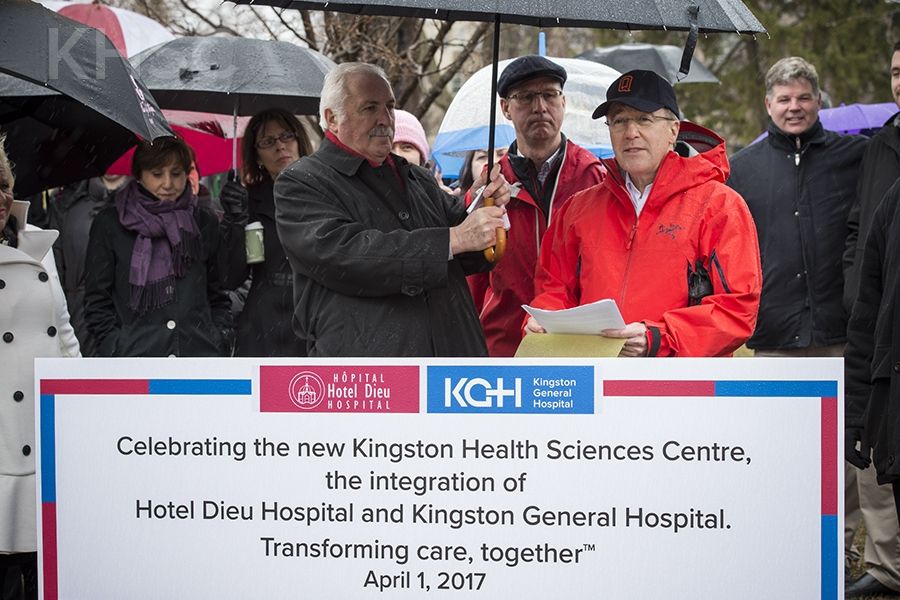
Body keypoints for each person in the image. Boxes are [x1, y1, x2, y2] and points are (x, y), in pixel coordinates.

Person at [274, 62, 510, 356]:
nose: (385, 119)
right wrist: (455, 238)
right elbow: (348, 256)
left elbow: (469, 255)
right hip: (373, 378)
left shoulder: (417, 178)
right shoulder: (302, 183)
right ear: (332, 118)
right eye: (369, 108)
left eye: (389, 106)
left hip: (453, 363)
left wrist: (481, 204)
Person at [525, 69, 761, 357]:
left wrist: (659, 338)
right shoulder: (576, 210)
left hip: (682, 384)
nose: (630, 133)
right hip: (596, 378)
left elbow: (737, 309)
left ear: (673, 130)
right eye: (620, 121)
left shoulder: (719, 206)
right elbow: (554, 288)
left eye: (644, 119)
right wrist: (543, 318)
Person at [465, 56, 605, 356]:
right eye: (526, 97)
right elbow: (472, 280)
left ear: (563, 102)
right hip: (503, 347)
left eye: (549, 95)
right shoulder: (490, 185)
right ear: (505, 108)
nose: (540, 107)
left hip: (578, 346)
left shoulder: (594, 177)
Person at [727, 57, 867, 358]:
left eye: (804, 97)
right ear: (768, 104)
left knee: (840, 408)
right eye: (784, 99)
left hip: (840, 331)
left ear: (818, 101)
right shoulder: (739, 170)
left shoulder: (857, 158)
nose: (794, 107)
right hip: (772, 334)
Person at [0, 133, 80, 600]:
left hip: (49, 433)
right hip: (4, 441)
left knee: (49, 575)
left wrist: (83, 400)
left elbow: (64, 330)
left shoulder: (37, 244)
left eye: (3, 182)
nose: (0, 196)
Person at [83, 137, 232, 357]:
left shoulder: (203, 221)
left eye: (176, 173)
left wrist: (219, 338)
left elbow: (217, 293)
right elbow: (97, 299)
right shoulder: (110, 222)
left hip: (199, 355)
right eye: (157, 173)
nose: (168, 184)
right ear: (139, 175)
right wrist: (114, 346)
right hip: (135, 360)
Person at [842, 42, 900, 600]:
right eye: (896, 71)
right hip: (885, 340)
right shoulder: (880, 153)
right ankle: (887, 570)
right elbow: (865, 228)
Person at [217, 108, 312, 357]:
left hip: (314, 316)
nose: (280, 146)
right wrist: (235, 221)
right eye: (268, 142)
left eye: (286, 136)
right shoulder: (250, 201)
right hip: (262, 323)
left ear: (299, 141)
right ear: (257, 156)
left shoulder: (327, 195)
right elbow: (231, 277)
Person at [47, 174, 128, 356]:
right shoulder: (66, 201)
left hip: (130, 322)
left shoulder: (144, 202)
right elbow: (56, 271)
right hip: (78, 319)